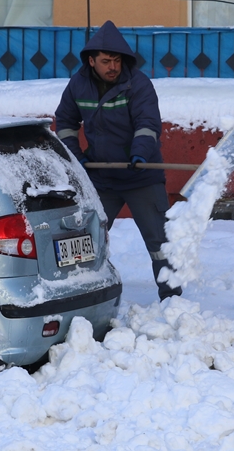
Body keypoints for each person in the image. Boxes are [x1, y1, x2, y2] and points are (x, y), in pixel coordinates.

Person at [55, 20, 181, 300]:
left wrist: (140, 152)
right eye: (105, 61)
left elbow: (147, 123)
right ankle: (79, 295)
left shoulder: (138, 84)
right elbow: (64, 122)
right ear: (91, 61)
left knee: (160, 243)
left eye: (116, 61)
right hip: (101, 179)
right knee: (85, 240)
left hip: (141, 175)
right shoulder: (78, 85)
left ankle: (172, 298)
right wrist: (76, 157)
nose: (113, 66)